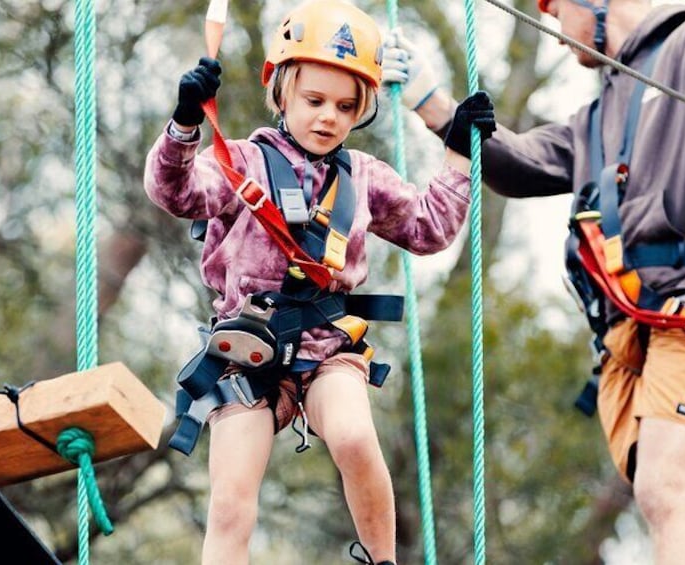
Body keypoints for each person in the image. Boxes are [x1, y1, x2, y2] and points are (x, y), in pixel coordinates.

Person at [383, 1, 685, 563]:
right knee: (683, 486)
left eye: (556, 14)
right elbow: (520, 162)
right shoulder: (599, 116)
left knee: (665, 486)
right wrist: (432, 104)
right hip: (627, 335)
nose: (552, 34)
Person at [143, 1, 495, 563]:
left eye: (345, 106)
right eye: (314, 101)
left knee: (355, 437)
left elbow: (428, 228)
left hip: (328, 344)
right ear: (281, 92)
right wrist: (186, 123)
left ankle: (383, 559)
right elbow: (176, 193)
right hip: (247, 351)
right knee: (231, 503)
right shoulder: (243, 162)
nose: (328, 117)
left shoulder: (364, 177)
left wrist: (457, 151)